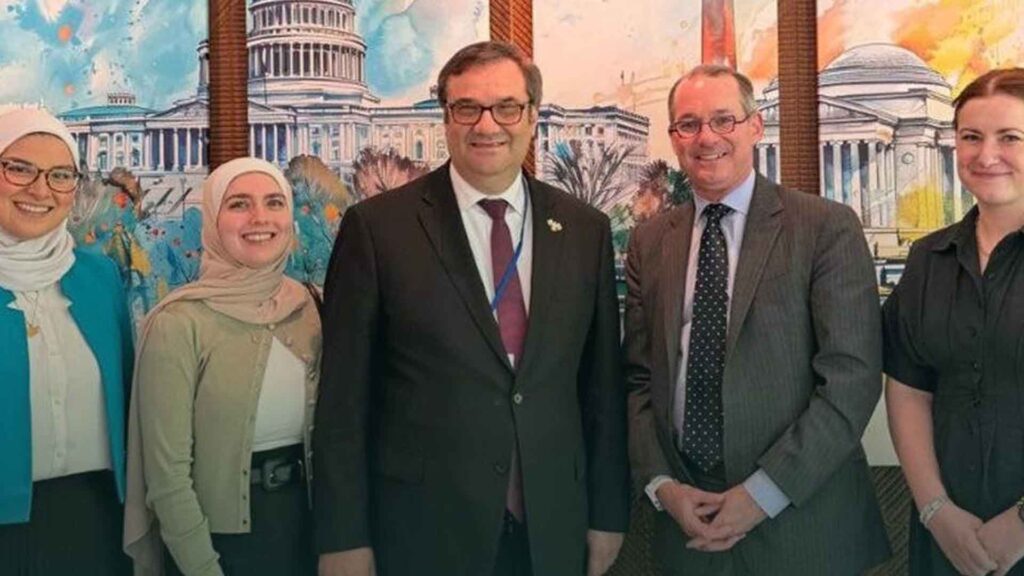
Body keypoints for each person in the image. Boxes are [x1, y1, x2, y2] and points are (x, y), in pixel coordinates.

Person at [313, 40, 629, 576]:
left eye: (507, 107)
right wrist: (343, 538)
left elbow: (601, 389)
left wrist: (607, 515)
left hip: (553, 526)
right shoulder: (377, 229)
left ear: (531, 116)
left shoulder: (584, 229)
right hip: (426, 531)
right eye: (467, 108)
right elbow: (344, 398)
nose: (488, 125)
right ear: (445, 117)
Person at [624, 64, 889, 575]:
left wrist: (762, 493)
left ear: (755, 126)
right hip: (684, 525)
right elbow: (638, 379)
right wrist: (662, 485)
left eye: (724, 119)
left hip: (803, 528)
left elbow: (852, 380)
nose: (707, 138)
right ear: (674, 138)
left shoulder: (825, 227)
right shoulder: (650, 242)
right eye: (689, 124)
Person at [123, 157, 321, 576]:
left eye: (274, 202)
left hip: (313, 534)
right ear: (212, 219)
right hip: (217, 545)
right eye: (239, 204)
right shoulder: (178, 323)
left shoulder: (313, 306)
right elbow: (167, 478)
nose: (259, 218)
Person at [884, 67, 1024, 576]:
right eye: (971, 137)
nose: (986, 156)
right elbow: (908, 389)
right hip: (947, 536)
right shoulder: (928, 259)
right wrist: (935, 510)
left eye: (1009, 137)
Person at [0, 108, 133, 574]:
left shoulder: (100, 278)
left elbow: (127, 394)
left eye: (60, 175)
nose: (40, 190)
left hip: (96, 523)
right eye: (19, 168)